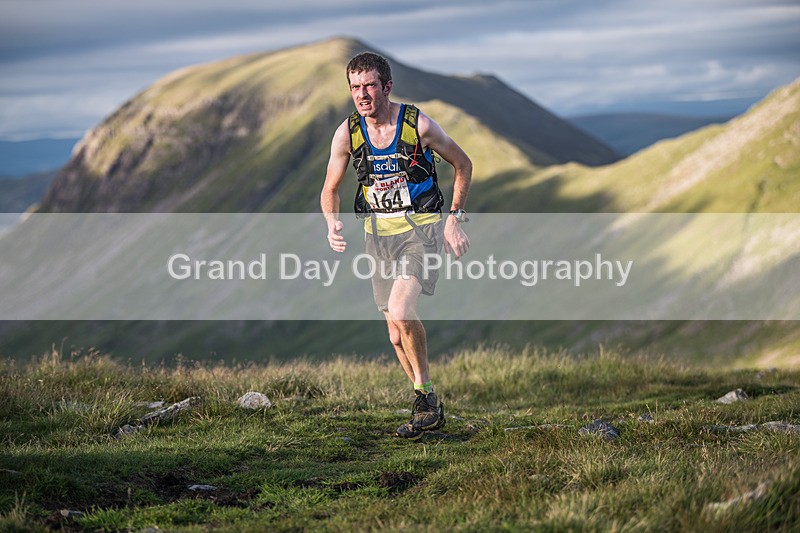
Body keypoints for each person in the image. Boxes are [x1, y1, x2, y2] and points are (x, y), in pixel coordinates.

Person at [320, 52, 472, 438]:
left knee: (403, 311)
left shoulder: (417, 125)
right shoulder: (348, 133)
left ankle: (424, 398)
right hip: (378, 239)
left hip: (420, 233)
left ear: (387, 86)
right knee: (393, 333)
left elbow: (463, 163)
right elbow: (330, 188)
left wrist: (454, 218)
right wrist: (331, 222)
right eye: (355, 87)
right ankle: (428, 402)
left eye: (370, 85)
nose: (363, 94)